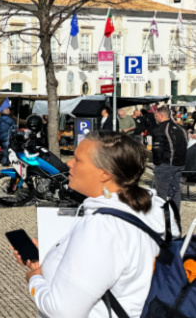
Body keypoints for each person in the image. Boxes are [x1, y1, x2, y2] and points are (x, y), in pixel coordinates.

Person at [11, 131, 179, 318]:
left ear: (104, 173)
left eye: (78, 160)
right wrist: (50, 256)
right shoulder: (158, 207)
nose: (69, 163)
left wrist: (34, 279)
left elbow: (62, 311)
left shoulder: (103, 226)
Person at [150, 105, 187, 208]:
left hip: (166, 163)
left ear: (161, 115)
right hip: (179, 163)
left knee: (161, 192)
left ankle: (162, 217)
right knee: (175, 190)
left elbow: (157, 150)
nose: (155, 117)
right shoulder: (181, 128)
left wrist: (157, 164)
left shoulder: (160, 129)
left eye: (156, 115)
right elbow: (185, 144)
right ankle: (175, 215)